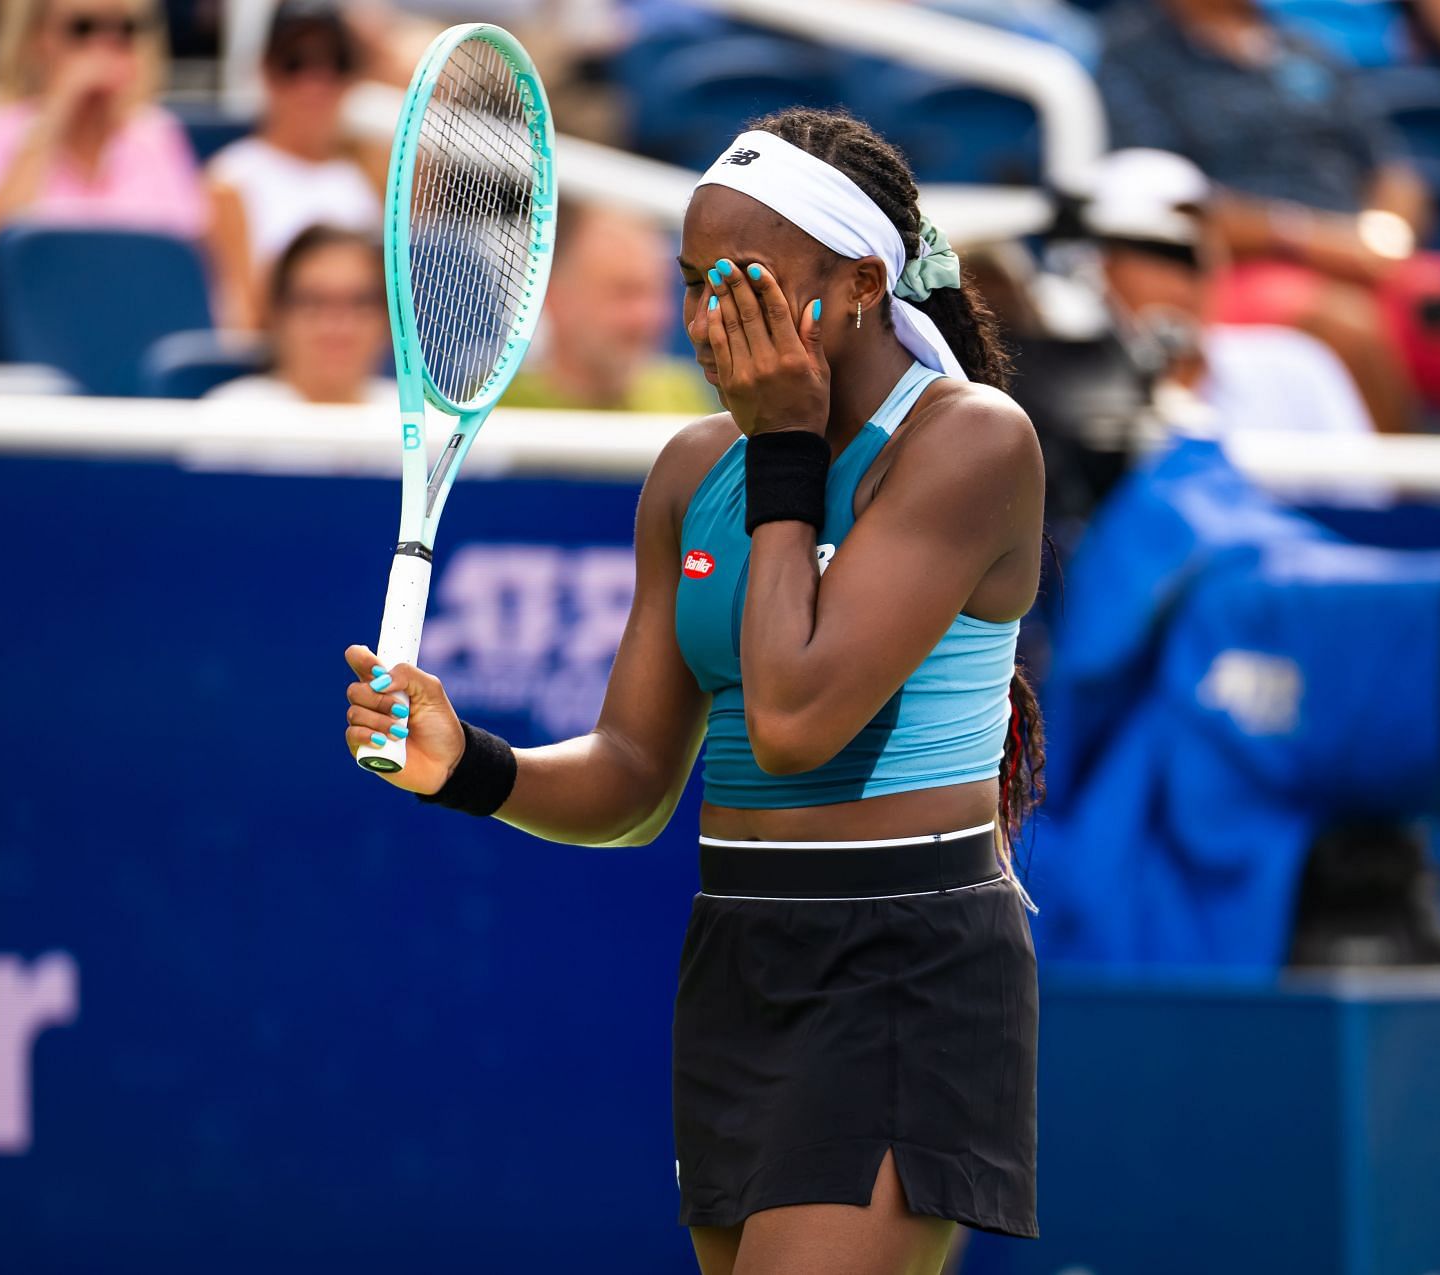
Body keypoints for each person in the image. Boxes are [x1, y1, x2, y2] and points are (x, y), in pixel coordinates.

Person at [341, 109, 1045, 1272]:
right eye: (689, 281)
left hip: (904, 968)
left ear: (863, 284)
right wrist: (471, 768)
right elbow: (630, 777)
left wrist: (784, 448)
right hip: (739, 956)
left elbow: (794, 719)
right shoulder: (685, 471)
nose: (704, 318)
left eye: (745, 283)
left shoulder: (969, 445)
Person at [1098, 0, 1440, 432]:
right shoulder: (1131, 56)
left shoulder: (1306, 47)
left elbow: (1393, 170)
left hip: (1353, 253)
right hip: (1231, 264)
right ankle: (1400, 496)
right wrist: (1310, 238)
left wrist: (1385, 237)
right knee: (1346, 327)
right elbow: (1162, 194)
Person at [0, 0, 205, 308]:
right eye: (82, 28)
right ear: (36, 38)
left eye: (125, 30)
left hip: (142, 324)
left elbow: (193, 268)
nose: (104, 46)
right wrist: (54, 117)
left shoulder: (157, 136)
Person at [1094, 148, 1374, 438]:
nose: (1191, 274)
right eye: (1163, 252)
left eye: (1203, 245)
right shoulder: (1057, 400)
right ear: (1101, 267)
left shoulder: (1300, 369)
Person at [206, 0, 382, 331]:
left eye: (336, 64)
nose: (315, 82)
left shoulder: (363, 177)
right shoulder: (229, 178)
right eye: (294, 63)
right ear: (265, 70)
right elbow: (244, 321)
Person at [497, 198, 716, 414]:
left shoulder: (685, 394)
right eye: (623, 293)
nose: (648, 316)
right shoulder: (495, 405)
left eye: (657, 291)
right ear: (553, 298)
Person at [206, 224, 394, 405]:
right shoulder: (226, 417)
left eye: (360, 303)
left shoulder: (416, 418)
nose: (337, 324)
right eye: (314, 302)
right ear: (275, 313)